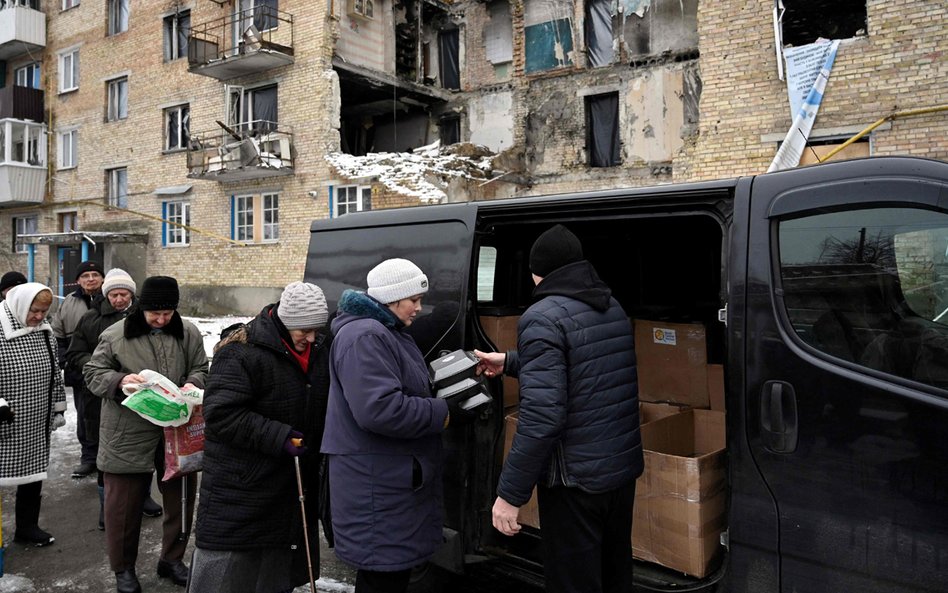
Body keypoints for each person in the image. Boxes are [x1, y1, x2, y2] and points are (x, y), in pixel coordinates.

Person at [474, 224, 642, 593]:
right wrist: (511, 361)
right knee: (614, 574)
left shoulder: (542, 316)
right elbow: (586, 369)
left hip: (574, 483)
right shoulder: (610, 305)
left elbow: (542, 418)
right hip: (617, 472)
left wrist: (510, 496)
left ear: (538, 272)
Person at [321, 258, 475, 593]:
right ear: (392, 299)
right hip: (377, 485)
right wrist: (443, 412)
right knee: (382, 579)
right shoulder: (366, 335)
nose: (420, 308)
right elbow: (380, 409)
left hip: (387, 479)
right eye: (414, 300)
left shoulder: (386, 331)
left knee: (388, 576)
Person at [189, 281, 332, 593]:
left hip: (289, 483)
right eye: (303, 331)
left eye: (315, 330)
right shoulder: (241, 351)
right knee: (233, 575)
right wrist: (279, 436)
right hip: (243, 483)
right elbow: (221, 414)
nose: (310, 338)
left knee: (274, 571)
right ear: (285, 322)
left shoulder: (319, 348)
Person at [84, 276, 208, 593]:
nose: (162, 319)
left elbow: (201, 367)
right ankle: (123, 569)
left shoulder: (189, 332)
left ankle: (172, 559)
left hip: (177, 432)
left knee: (180, 502)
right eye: (155, 313)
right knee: (122, 508)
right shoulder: (116, 334)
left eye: (168, 313)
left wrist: (194, 383)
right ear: (142, 307)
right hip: (127, 433)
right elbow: (92, 372)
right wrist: (120, 382)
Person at [66, 268, 138, 531]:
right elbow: (75, 354)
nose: (119, 299)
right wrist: (101, 367)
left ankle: (143, 499)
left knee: (141, 447)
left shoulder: (144, 317)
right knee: (105, 452)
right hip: (102, 395)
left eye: (124, 294)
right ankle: (106, 507)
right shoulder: (91, 318)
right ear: (107, 294)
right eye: (114, 294)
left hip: (138, 393)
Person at [0, 282, 67, 547]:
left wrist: (58, 407)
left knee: (33, 474)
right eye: (34, 311)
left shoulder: (44, 331)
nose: (39, 317)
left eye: (44, 311)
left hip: (36, 416)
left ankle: (27, 528)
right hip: (6, 416)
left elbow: (54, 373)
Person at [51, 260, 104, 479]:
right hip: (79, 371)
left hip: (108, 372)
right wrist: (66, 361)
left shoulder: (113, 298)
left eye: (95, 274)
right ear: (78, 280)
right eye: (85, 275)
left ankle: (106, 458)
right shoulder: (68, 303)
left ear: (102, 278)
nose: (90, 279)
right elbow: (58, 336)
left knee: (109, 417)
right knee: (85, 417)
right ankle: (89, 457)